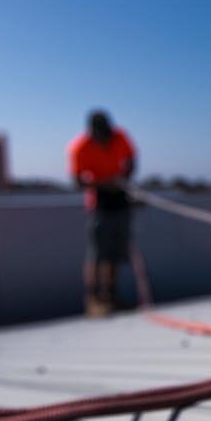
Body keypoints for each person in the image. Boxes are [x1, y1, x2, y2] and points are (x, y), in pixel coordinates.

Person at [69, 108, 137, 316]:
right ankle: (93, 300)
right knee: (98, 252)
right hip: (98, 201)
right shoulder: (79, 147)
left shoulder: (120, 137)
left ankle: (111, 296)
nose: (105, 138)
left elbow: (132, 159)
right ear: (91, 132)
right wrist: (103, 184)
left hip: (120, 198)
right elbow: (77, 180)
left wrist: (123, 179)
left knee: (116, 252)